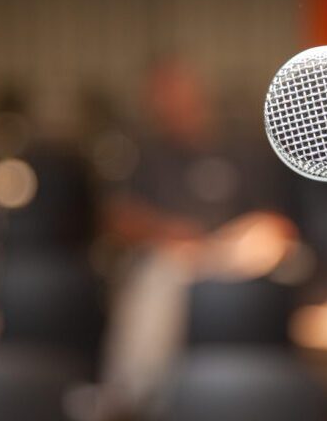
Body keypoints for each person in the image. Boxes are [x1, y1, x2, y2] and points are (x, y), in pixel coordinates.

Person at [100, 58, 299, 416]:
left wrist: (234, 241)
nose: (171, 104)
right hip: (173, 258)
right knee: (160, 274)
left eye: (178, 93)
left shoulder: (243, 149)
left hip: (236, 253)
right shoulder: (146, 154)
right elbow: (120, 219)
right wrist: (166, 231)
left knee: (267, 245)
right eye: (161, 97)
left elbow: (277, 224)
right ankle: (134, 394)